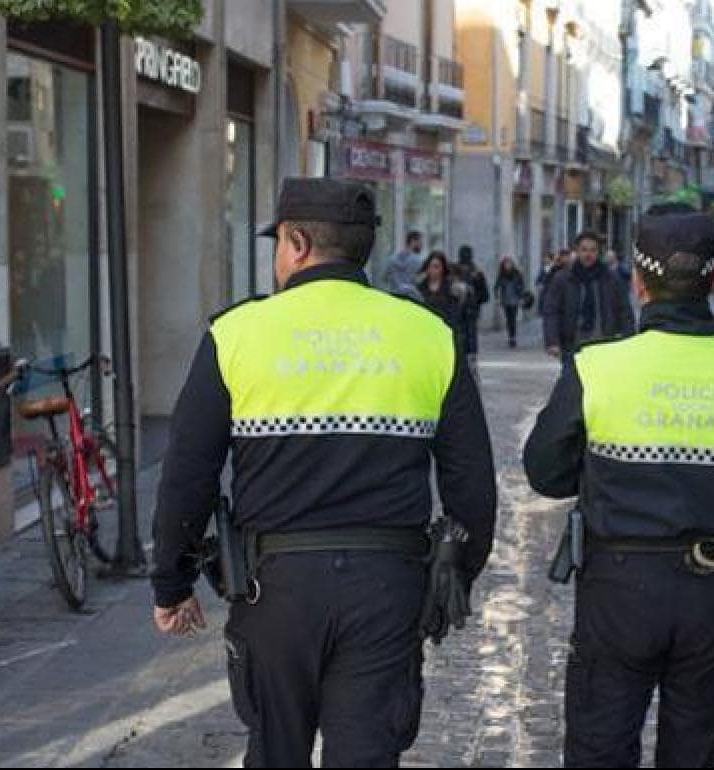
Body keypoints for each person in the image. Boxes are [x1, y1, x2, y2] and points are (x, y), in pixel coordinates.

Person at [150, 178, 497, 767]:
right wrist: (453, 575)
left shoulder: (236, 334)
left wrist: (171, 584)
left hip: (275, 590)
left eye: (280, 244)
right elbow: (472, 484)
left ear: (299, 242)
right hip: (386, 587)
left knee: (275, 752)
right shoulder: (427, 335)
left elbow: (188, 473)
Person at [523, 203, 714, 767]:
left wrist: (608, 474)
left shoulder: (597, 366)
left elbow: (545, 472)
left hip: (619, 586)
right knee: (695, 750)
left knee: (600, 743)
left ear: (639, 281)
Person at [542, 232, 634, 358]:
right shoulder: (563, 279)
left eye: (592, 250)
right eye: (584, 250)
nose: (588, 254)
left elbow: (624, 309)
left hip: (604, 343)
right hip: (572, 344)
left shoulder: (611, 279)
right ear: (577, 251)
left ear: (598, 252)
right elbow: (551, 310)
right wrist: (552, 341)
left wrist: (628, 338)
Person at [417, 250, 470, 351]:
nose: (432, 270)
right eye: (430, 266)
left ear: (443, 269)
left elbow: (457, 316)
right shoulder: (419, 288)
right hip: (425, 335)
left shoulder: (452, 289)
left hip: (445, 336)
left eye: (436, 267)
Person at [455, 244, 490, 366]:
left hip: (460, 309)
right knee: (471, 334)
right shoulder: (476, 273)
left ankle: (463, 357)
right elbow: (485, 295)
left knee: (462, 333)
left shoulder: (455, 272)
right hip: (470, 309)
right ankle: (470, 358)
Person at [381, 228, 425, 299]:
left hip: (394, 296)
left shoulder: (392, 259)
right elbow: (420, 282)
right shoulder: (419, 261)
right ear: (413, 241)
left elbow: (384, 278)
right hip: (412, 298)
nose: (422, 245)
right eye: (420, 242)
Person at [494, 256, 527, 348]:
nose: (507, 265)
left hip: (515, 300)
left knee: (513, 319)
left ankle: (513, 337)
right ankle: (510, 336)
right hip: (505, 300)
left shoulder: (517, 274)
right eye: (506, 264)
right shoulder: (501, 275)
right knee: (508, 319)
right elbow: (496, 286)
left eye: (509, 263)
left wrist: (521, 297)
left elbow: (522, 286)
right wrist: (497, 297)